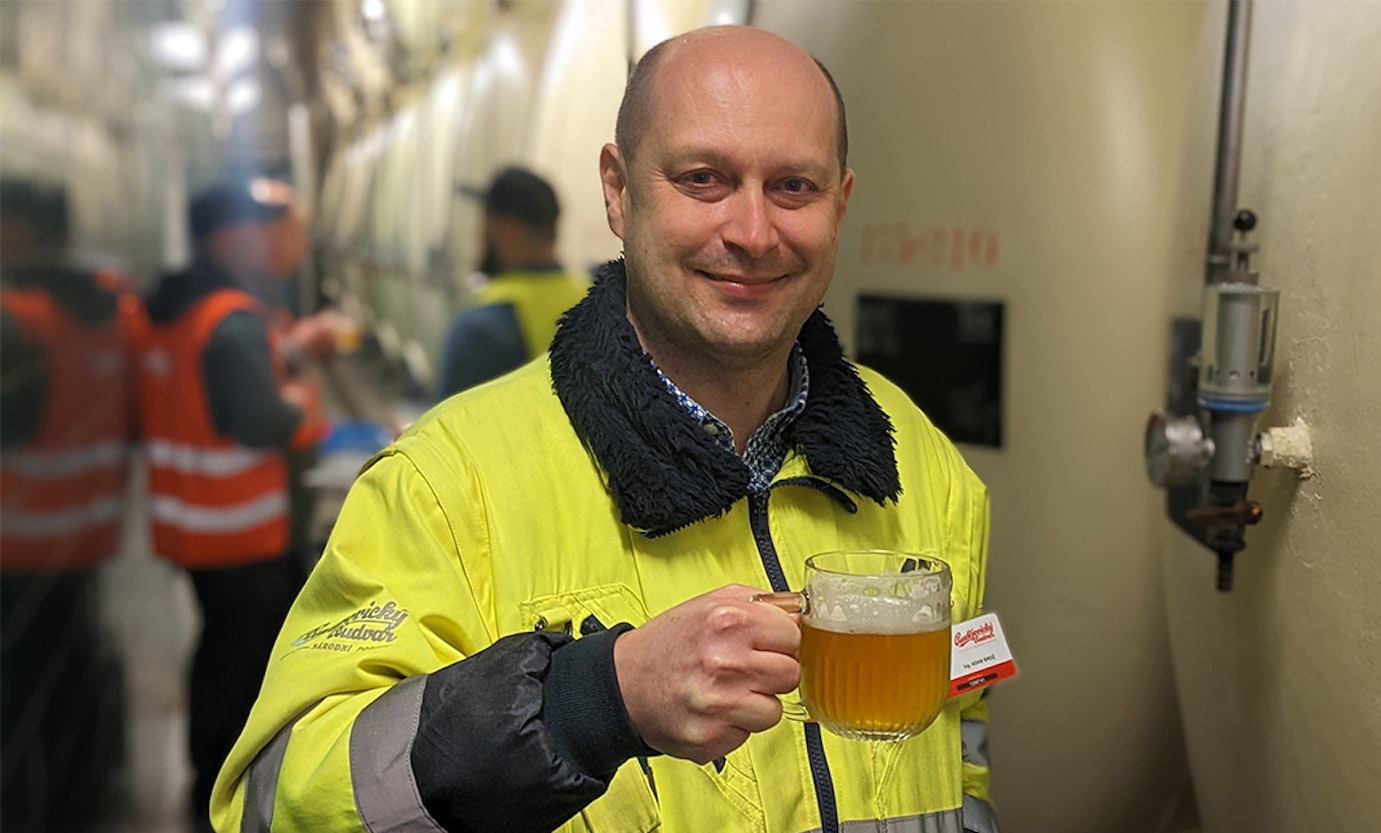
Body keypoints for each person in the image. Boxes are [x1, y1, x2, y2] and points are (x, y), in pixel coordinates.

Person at [213, 26, 996, 833]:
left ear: (841, 203)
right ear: (618, 192)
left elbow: (962, 750)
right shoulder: (445, 487)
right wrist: (587, 701)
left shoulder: (924, 465)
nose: (754, 231)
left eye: (794, 186)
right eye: (703, 179)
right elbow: (278, 802)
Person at [138, 176, 330, 832]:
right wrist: (304, 413)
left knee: (219, 652)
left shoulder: (179, 305)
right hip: (243, 530)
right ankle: (226, 798)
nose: (281, 245)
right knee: (244, 666)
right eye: (267, 231)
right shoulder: (230, 317)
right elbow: (257, 417)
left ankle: (205, 785)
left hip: (195, 522)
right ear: (228, 238)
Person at [0, 177, 141, 832]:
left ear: (21, 230)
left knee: (20, 695)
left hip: (14, 544)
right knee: (69, 669)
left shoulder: (17, 317)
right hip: (86, 530)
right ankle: (83, 795)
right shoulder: (112, 306)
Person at [436, 165, 588, 399]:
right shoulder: (593, 298)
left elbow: (445, 420)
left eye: (487, 221)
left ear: (508, 229)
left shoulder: (481, 329)